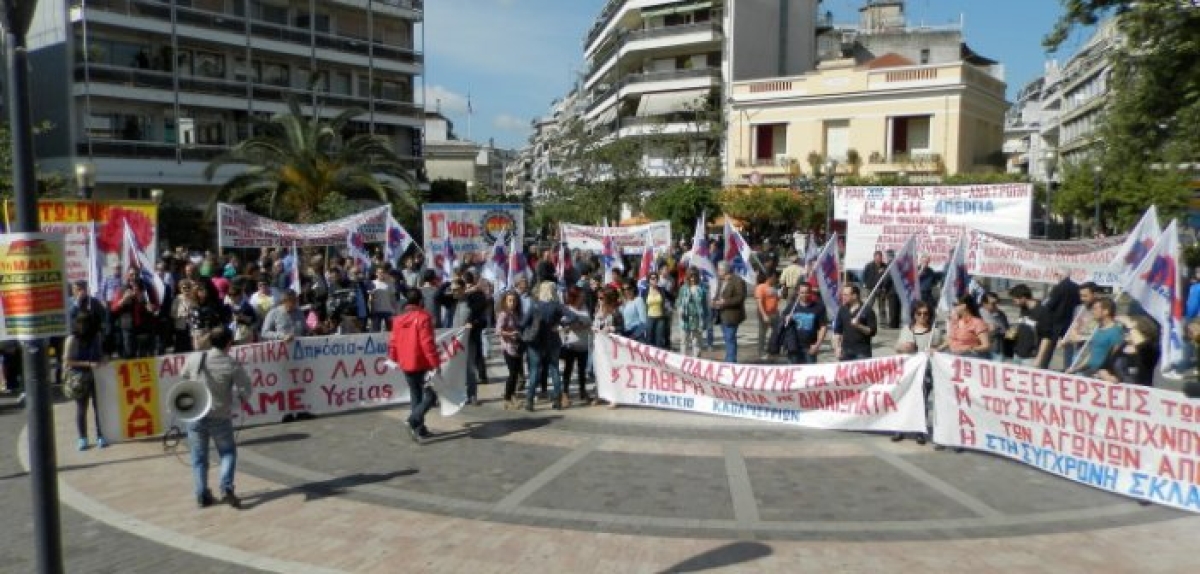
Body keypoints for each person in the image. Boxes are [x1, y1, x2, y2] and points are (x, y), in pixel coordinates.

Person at [183, 326, 252, 509]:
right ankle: (226, 487)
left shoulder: (195, 358)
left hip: (195, 414)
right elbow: (246, 390)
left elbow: (183, 377)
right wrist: (240, 400)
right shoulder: (231, 363)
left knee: (198, 457)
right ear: (229, 343)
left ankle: (201, 493)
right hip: (220, 415)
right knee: (228, 452)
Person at [388, 289, 442, 443]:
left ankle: (419, 429)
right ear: (420, 301)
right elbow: (427, 344)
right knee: (430, 397)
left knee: (415, 395)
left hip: (405, 363)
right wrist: (435, 363)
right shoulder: (423, 318)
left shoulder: (398, 319)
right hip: (421, 363)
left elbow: (393, 341)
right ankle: (413, 420)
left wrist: (393, 358)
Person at [892, 301, 942, 445]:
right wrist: (903, 347)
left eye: (925, 314)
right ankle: (899, 429)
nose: (922, 316)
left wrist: (935, 350)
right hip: (907, 372)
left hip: (925, 372)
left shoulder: (935, 332)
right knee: (903, 400)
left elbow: (940, 349)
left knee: (923, 401)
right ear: (914, 314)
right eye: (919, 313)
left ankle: (920, 431)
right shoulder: (907, 330)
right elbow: (897, 347)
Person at [522, 281, 575, 412]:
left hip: (536, 342)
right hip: (553, 341)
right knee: (554, 370)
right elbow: (573, 317)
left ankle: (529, 401)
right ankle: (557, 400)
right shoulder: (557, 306)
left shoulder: (534, 305)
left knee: (534, 371)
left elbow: (523, 323)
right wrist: (561, 325)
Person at [63, 314, 105, 451]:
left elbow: (99, 354)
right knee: (82, 408)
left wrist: (103, 359)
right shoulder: (72, 339)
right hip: (78, 377)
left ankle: (101, 435)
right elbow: (67, 361)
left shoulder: (96, 336)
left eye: (85, 323)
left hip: (95, 375)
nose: (83, 327)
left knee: (98, 407)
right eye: (80, 323)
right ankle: (82, 438)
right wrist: (88, 364)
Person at [1068, 298, 1125, 378]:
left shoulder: (1115, 332)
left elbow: (1116, 357)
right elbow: (1092, 355)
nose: (1092, 312)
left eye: (1095, 309)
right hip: (1090, 372)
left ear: (1106, 311)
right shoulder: (1098, 330)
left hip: (1102, 376)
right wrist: (1075, 369)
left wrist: (1105, 374)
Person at [1097, 316, 1160, 386]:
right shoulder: (1118, 347)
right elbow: (1103, 368)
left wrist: (1129, 324)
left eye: (1131, 329)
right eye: (1125, 329)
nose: (1127, 331)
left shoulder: (1150, 351)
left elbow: (1143, 346)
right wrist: (1107, 377)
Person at [560, 286, 593, 405]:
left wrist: (580, 325)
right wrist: (578, 325)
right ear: (574, 297)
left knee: (582, 371)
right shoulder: (568, 309)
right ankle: (565, 394)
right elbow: (564, 325)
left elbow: (589, 323)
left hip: (583, 345)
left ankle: (583, 392)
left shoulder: (584, 308)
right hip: (571, 345)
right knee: (568, 370)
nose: (583, 299)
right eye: (581, 297)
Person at [1009, 284, 1054, 369]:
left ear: (1023, 298)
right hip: (1017, 354)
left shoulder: (1043, 312)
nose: (1013, 302)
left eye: (1014, 299)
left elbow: (1046, 338)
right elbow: (1020, 327)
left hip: (1031, 358)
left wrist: (1039, 359)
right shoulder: (1023, 308)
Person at [780, 282, 826, 365]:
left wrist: (817, 344)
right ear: (798, 293)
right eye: (802, 292)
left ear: (811, 292)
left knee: (809, 374)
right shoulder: (792, 306)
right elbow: (782, 321)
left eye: (807, 292)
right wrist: (786, 318)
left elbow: (823, 327)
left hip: (810, 347)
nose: (805, 295)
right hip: (793, 346)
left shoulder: (818, 307)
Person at [713, 261, 748, 363]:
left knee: (730, 338)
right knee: (727, 339)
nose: (718, 272)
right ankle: (729, 358)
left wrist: (725, 302)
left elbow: (740, 297)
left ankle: (731, 361)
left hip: (732, 315)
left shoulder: (738, 281)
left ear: (726, 270)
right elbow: (718, 294)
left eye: (719, 270)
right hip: (722, 314)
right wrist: (714, 301)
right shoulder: (721, 281)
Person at [1059, 282, 1099, 370]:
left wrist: (1081, 337)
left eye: (1085, 296)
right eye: (1081, 296)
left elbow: (1103, 333)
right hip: (1079, 352)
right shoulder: (1079, 309)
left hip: (1094, 353)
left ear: (1095, 294)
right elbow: (1074, 327)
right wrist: (1067, 339)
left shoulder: (1101, 310)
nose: (1082, 299)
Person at [496, 290, 525, 410]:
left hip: (517, 346)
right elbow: (498, 331)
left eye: (514, 300)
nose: (512, 303)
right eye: (510, 300)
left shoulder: (517, 313)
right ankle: (507, 398)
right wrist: (510, 333)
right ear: (505, 301)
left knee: (517, 373)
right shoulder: (504, 314)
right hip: (508, 347)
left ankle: (513, 395)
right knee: (512, 373)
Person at [833, 284, 877, 360]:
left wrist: (858, 325)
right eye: (842, 294)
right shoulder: (842, 309)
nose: (843, 297)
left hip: (862, 352)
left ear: (854, 296)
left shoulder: (867, 311)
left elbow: (872, 332)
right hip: (845, 351)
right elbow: (837, 331)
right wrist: (837, 348)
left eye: (846, 295)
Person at [676, 270, 708, 357]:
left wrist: (705, 320)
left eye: (694, 277)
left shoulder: (701, 289)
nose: (692, 279)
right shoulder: (683, 288)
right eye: (690, 277)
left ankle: (696, 360)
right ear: (687, 277)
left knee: (696, 342)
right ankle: (683, 360)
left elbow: (705, 306)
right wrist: (680, 310)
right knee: (683, 341)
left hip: (697, 318)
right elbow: (678, 302)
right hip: (685, 318)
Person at [755, 273, 781, 359]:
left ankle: (773, 349)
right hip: (765, 313)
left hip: (774, 313)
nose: (776, 279)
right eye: (774, 277)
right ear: (770, 277)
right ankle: (761, 352)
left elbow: (777, 300)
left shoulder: (774, 288)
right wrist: (764, 315)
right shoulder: (761, 287)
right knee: (762, 333)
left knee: (777, 331)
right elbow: (759, 302)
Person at [643, 271, 670, 349]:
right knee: (649, 339)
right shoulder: (645, 291)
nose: (654, 280)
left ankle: (658, 358)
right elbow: (642, 303)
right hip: (650, 317)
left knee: (659, 340)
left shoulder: (661, 290)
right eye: (652, 278)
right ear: (649, 280)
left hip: (660, 317)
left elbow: (672, 297)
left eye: (656, 278)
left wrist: (670, 308)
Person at [979, 292, 1009, 361]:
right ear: (984, 304)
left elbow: (1006, 330)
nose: (996, 306)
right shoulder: (978, 315)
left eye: (997, 303)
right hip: (983, 351)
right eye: (993, 304)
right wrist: (991, 330)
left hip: (998, 350)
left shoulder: (1001, 314)